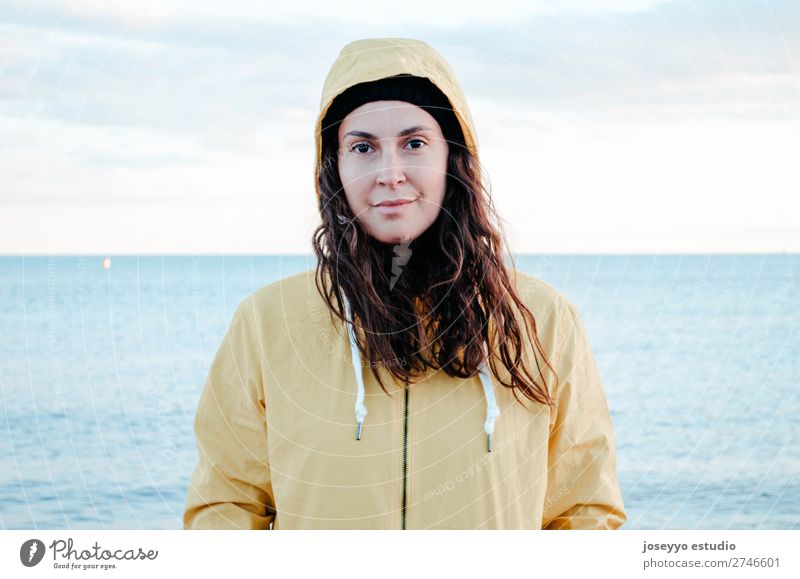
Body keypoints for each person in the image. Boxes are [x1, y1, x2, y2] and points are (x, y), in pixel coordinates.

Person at [183, 37, 626, 530]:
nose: (390, 174)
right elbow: (225, 508)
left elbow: (583, 510)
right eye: (363, 147)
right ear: (334, 167)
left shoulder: (542, 319)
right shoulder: (266, 324)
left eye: (414, 144)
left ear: (452, 158)